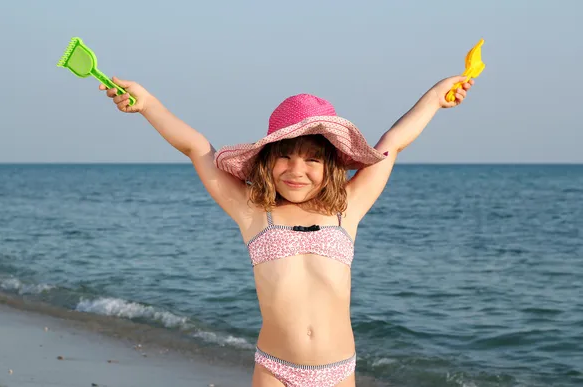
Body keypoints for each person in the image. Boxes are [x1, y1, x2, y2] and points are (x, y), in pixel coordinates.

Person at [99, 74, 474, 386]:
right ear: (265, 159)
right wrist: (147, 104)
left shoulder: (348, 207)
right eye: (285, 155)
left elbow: (392, 143)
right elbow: (197, 148)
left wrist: (434, 99)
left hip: (337, 372)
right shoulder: (253, 212)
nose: (297, 170)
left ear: (331, 166)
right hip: (274, 371)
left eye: (312, 158)